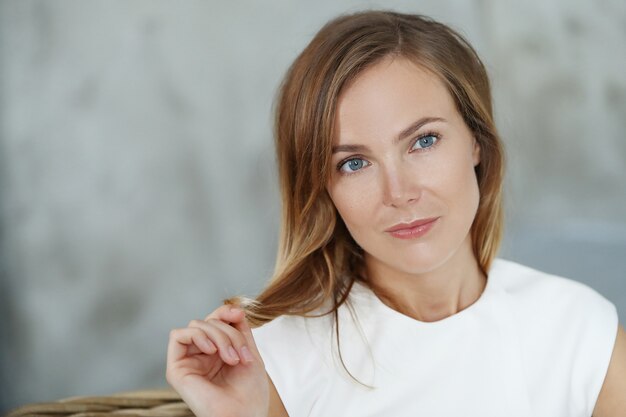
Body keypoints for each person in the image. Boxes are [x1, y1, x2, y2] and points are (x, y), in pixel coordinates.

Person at [166, 10, 625, 417]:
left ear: (476, 141)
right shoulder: (273, 364)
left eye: (423, 141)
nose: (399, 193)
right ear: (324, 189)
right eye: (354, 163)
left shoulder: (581, 332)